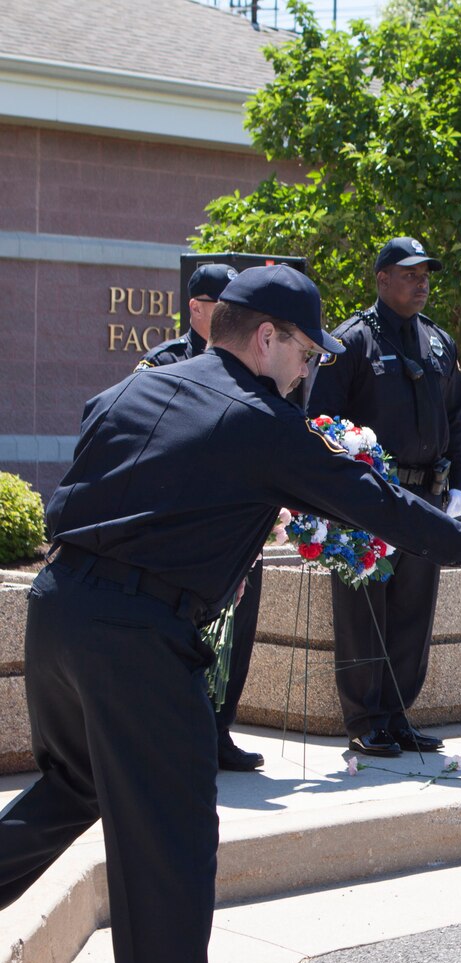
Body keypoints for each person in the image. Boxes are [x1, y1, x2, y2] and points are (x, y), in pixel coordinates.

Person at [0, 264, 461, 963]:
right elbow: (381, 506)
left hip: (56, 613)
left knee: (74, 784)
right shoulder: (260, 422)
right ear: (266, 338)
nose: (309, 370)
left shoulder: (128, 391)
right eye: (305, 352)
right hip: (138, 640)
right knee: (170, 851)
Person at [306, 237, 461, 758]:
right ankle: (364, 720)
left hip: (426, 497)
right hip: (369, 500)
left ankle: (398, 716)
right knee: (364, 612)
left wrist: (460, 484)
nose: (420, 283)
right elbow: (322, 422)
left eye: (425, 274)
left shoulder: (440, 343)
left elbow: (459, 420)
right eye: (408, 274)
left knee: (412, 612)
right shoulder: (350, 342)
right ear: (381, 280)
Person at [135, 262, 266, 772]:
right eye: (223, 304)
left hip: (240, 530)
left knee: (238, 636)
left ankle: (218, 734)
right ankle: (179, 737)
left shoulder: (257, 364)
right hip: (185, 538)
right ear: (196, 309)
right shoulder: (164, 364)